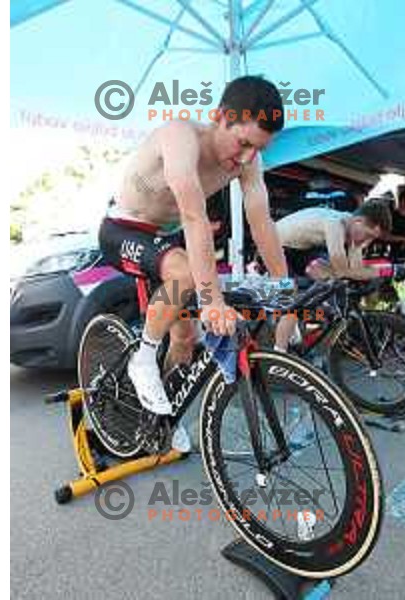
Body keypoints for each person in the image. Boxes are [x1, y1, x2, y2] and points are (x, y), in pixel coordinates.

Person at [98, 76, 289, 448]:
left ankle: (161, 413)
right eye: (244, 143)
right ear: (220, 117)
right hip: (124, 227)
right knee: (186, 274)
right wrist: (212, 301)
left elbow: (261, 220)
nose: (248, 157)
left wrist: (284, 285)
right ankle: (143, 358)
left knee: (185, 340)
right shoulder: (179, 137)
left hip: (165, 237)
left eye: (258, 148)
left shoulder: (248, 162)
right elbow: (194, 219)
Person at [273, 199, 392, 350]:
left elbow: (355, 270)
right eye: (368, 236)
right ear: (358, 221)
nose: (367, 242)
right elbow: (344, 270)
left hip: (300, 248)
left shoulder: (355, 233)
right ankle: (279, 353)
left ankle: (312, 315)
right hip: (274, 243)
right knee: (291, 302)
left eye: (372, 239)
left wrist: (370, 274)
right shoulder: (335, 224)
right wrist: (387, 270)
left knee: (328, 276)